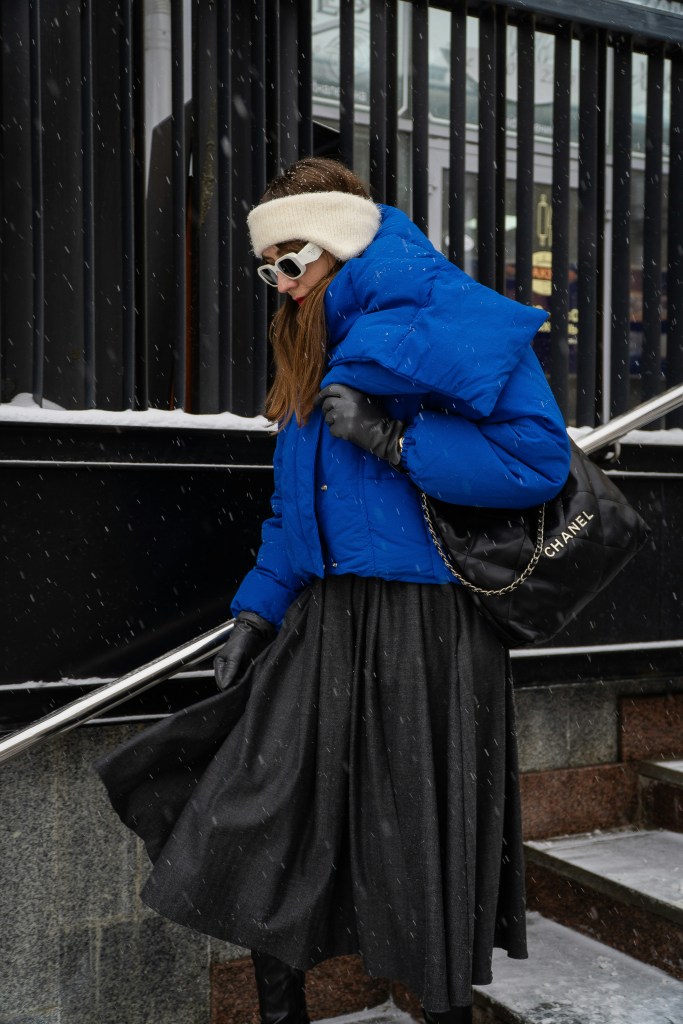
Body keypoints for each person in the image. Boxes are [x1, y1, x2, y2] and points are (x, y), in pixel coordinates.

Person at [97, 157, 571, 1024]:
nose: (278, 285)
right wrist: (255, 606)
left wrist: (396, 441)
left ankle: (443, 1010)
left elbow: (537, 461)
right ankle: (282, 1012)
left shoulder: (446, 315)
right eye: (266, 267)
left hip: (425, 623)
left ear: (340, 243)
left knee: (416, 838)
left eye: (290, 261)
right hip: (325, 617)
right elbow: (295, 509)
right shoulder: (314, 347)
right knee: (268, 820)